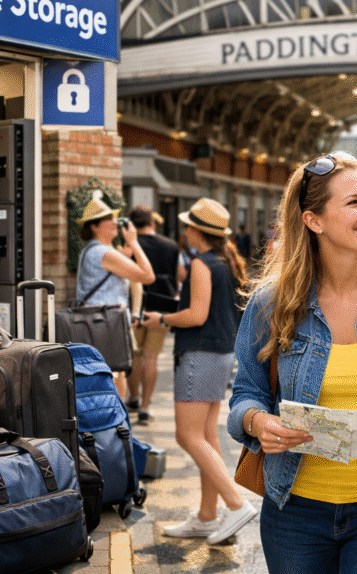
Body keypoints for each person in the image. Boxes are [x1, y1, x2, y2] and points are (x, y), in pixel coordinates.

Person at [228, 152, 357, 574]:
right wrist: (256, 423)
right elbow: (246, 393)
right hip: (293, 512)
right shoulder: (272, 303)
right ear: (313, 221)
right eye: (353, 202)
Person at [140, 198, 254, 545]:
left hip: (200, 354)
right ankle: (207, 516)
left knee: (187, 437)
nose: (184, 232)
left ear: (197, 232)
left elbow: (196, 314)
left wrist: (162, 319)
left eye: (188, 227)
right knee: (206, 436)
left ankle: (235, 505)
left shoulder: (202, 264)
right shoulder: (225, 262)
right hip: (219, 355)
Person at [76, 199, 155, 400]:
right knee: (112, 380)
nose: (114, 222)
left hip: (100, 324)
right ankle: (113, 424)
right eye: (108, 219)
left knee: (113, 378)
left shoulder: (91, 251)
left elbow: (132, 283)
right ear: (94, 226)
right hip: (105, 325)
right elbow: (148, 276)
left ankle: (112, 423)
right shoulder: (103, 252)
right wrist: (135, 243)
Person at [126, 205, 180, 424]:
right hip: (163, 306)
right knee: (152, 358)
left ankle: (134, 397)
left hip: (135, 306)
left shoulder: (131, 246)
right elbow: (176, 278)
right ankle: (146, 407)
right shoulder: (171, 245)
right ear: (152, 222)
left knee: (135, 356)